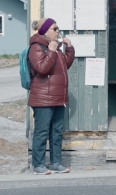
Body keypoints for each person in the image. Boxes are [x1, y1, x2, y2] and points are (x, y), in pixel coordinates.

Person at [28, 18, 75, 175]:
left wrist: (69, 48)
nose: (58, 31)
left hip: (57, 98)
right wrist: (52, 51)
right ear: (45, 31)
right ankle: (39, 165)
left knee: (56, 132)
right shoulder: (36, 48)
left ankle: (56, 163)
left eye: (58, 28)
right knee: (42, 132)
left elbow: (65, 64)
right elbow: (42, 68)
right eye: (55, 28)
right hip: (43, 99)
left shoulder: (53, 48)